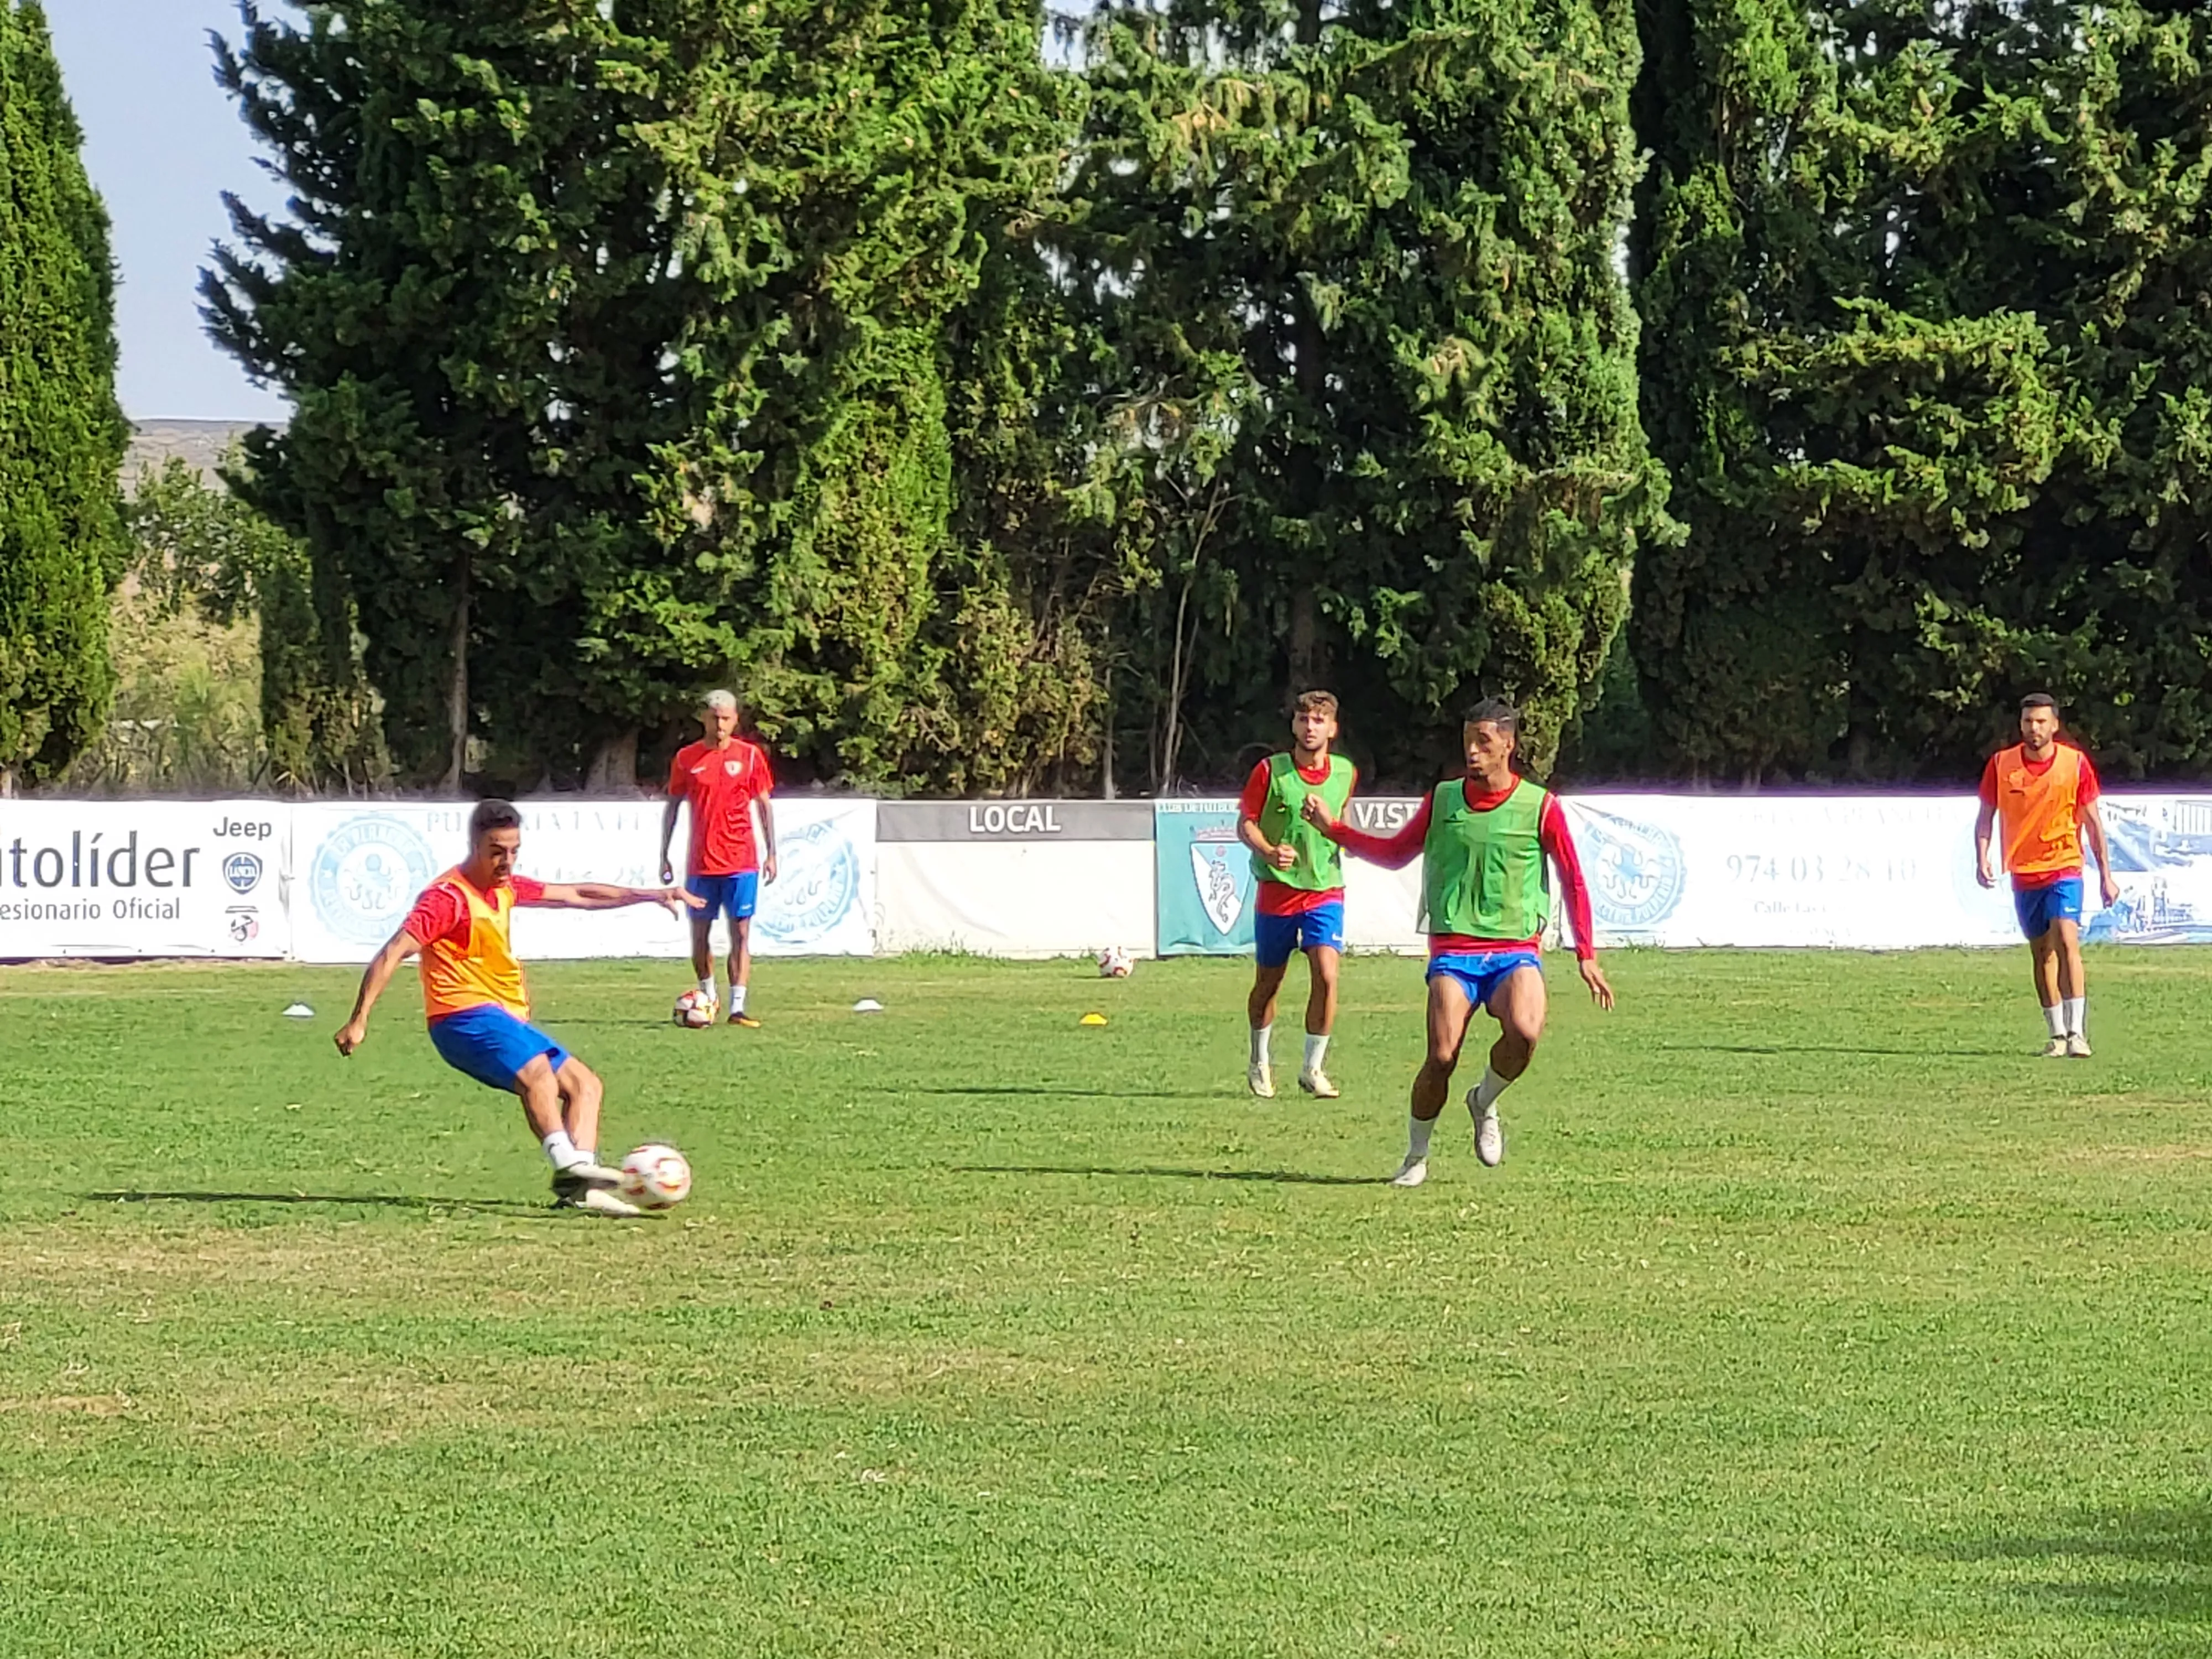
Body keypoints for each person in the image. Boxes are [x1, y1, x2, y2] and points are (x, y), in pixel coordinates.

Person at [335, 799, 703, 1217]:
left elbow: (577, 894)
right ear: (474, 845)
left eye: (514, 851)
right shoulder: (447, 899)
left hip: (502, 1016)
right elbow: (394, 951)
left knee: (586, 1086)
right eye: (497, 851)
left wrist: (652, 895)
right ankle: (570, 1165)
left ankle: (579, 1190)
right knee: (539, 1073)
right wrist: (359, 1018)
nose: (507, 861)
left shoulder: (505, 888)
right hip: (461, 1017)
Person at [1303, 698, 1613, 1186]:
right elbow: (1394, 853)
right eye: (1468, 740)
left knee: (1526, 1033)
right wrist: (1335, 831)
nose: (1472, 751)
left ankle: (1483, 1100)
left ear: (1508, 745)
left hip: (1515, 949)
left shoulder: (1540, 806)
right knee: (1442, 1056)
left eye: (1483, 742)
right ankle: (1415, 1155)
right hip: (1455, 951)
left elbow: (1573, 878)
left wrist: (1586, 955)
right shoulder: (1445, 798)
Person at [1974, 692, 2120, 1057]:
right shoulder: (2001, 765)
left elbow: (2092, 822)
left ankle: (2077, 1033)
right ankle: (2056, 1035)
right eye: (2028, 721)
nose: (2034, 728)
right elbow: (1985, 816)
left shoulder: (2074, 764)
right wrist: (1982, 857)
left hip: (2065, 865)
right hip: (2024, 871)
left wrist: (2106, 874)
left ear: (2055, 725)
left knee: (2067, 939)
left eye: (2041, 721)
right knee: (2042, 954)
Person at [1237, 690, 1357, 1099]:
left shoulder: (1345, 772)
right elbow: (1246, 824)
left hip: (1326, 891)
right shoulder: (1271, 771)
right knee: (1269, 983)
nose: (1311, 727)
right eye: (1304, 720)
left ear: (1333, 728)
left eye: (1319, 721)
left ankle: (1312, 1067)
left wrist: (1345, 837)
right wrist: (1270, 851)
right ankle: (1259, 1060)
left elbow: (1343, 821)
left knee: (1327, 974)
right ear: (1294, 725)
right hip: (1278, 892)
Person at [659, 690, 779, 1027]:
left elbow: (764, 805)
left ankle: (737, 1007)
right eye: (715, 718)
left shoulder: (751, 757)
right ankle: (707, 997)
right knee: (700, 934)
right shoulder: (687, 758)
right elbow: (673, 806)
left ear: (736, 719)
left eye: (726, 718)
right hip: (701, 864)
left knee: (741, 933)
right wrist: (664, 854)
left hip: (742, 862)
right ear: (704, 719)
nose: (720, 724)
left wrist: (772, 854)